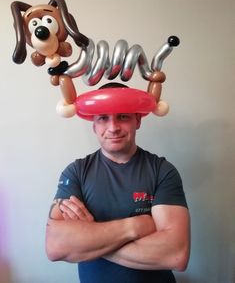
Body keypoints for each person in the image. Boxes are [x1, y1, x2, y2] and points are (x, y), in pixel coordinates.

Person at [45, 83, 190, 283]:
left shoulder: (163, 171)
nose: (113, 128)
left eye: (123, 116)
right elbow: (55, 246)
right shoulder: (76, 172)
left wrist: (90, 237)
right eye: (103, 118)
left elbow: (176, 254)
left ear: (137, 120)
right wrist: (135, 226)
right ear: (94, 124)